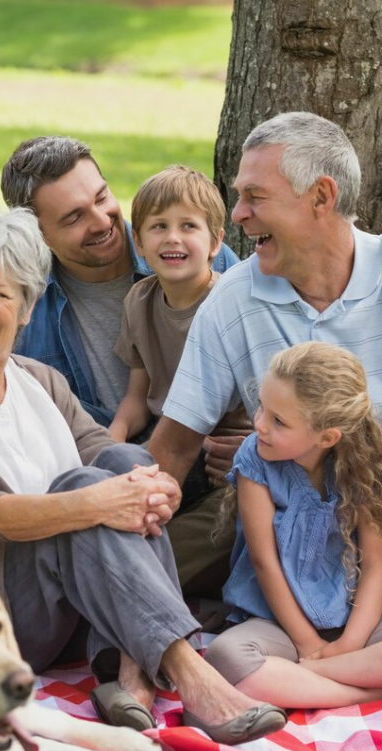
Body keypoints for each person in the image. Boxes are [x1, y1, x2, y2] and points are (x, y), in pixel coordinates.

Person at [0, 205, 287, 746]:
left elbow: (109, 454)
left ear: (25, 309)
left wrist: (155, 487)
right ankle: (190, 674)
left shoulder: (40, 380)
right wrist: (101, 503)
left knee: (123, 464)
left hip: (70, 615)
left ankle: (130, 674)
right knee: (85, 489)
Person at [148, 111, 382, 673]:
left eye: (254, 197)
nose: (238, 214)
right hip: (288, 524)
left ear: (321, 197)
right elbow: (172, 447)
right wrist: (129, 533)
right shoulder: (235, 300)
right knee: (118, 573)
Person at [203, 342, 382, 710]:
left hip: (348, 623)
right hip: (277, 623)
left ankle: (302, 679)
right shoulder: (255, 458)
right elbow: (264, 562)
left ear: (327, 437)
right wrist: (308, 644)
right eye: (262, 405)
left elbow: (375, 565)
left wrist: (348, 645)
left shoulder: (362, 465)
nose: (259, 424)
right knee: (226, 657)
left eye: (279, 420)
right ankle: (368, 691)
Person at [0, 136, 240, 428]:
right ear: (38, 234)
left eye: (101, 197)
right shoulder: (24, 305)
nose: (101, 221)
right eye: (74, 217)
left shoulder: (202, 257)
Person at [110, 165, 250, 597]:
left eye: (188, 226)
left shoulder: (233, 303)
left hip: (221, 461)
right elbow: (137, 397)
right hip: (163, 447)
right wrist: (107, 448)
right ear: (139, 241)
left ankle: (146, 585)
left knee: (206, 535)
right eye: (158, 226)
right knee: (113, 497)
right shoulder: (139, 300)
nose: (172, 238)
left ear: (216, 241)